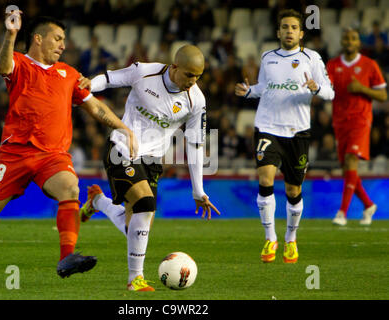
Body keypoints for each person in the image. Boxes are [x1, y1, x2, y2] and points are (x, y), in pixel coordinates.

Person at [0, 11, 136, 284]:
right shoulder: (19, 64)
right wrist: (10, 35)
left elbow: (95, 107)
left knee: (70, 187)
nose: (63, 45)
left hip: (52, 156)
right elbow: (2, 66)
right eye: (57, 39)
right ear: (38, 39)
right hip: (15, 154)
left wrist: (122, 127)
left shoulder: (69, 74)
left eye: (64, 40)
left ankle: (66, 257)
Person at [80, 45, 220, 291]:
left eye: (198, 76)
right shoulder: (145, 72)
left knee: (134, 226)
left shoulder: (196, 100)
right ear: (174, 67)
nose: (193, 81)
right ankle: (135, 279)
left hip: (152, 162)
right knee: (145, 204)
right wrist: (89, 85)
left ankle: (98, 202)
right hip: (120, 148)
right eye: (189, 75)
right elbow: (111, 78)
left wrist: (198, 192)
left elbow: (195, 144)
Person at [235, 9, 334, 264]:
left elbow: (330, 93)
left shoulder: (312, 58)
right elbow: (266, 89)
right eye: (284, 27)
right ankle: (270, 238)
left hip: (297, 131)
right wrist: (248, 91)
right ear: (278, 32)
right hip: (267, 126)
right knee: (265, 178)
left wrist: (317, 87)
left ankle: (291, 239)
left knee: (293, 190)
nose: (289, 31)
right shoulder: (268, 57)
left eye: (293, 28)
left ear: (301, 33)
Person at [326, 28, 387, 226]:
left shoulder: (369, 65)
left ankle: (342, 213)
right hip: (339, 121)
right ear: (342, 42)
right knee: (347, 171)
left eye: (353, 38)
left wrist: (361, 89)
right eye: (346, 38)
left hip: (360, 120)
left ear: (359, 43)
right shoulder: (333, 65)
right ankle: (369, 205)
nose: (349, 41)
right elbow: (326, 89)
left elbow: (383, 95)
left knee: (352, 161)